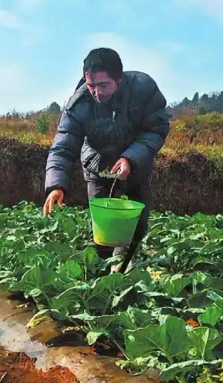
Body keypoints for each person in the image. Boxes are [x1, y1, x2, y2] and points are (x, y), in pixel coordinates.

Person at [43, 48, 170, 272]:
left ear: (119, 78)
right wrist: (56, 185)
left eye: (104, 85)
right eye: (91, 85)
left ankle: (123, 270)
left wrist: (130, 158)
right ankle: (101, 277)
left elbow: (155, 129)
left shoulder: (143, 89)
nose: (97, 93)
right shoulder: (79, 103)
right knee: (103, 230)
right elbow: (63, 145)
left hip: (135, 165)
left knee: (137, 226)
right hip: (97, 166)